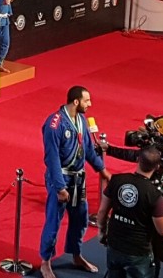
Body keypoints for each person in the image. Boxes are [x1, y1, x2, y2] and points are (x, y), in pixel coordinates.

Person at [40, 86, 111, 278]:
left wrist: (102, 170)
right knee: (54, 222)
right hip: (60, 179)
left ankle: (76, 254)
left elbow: (88, 149)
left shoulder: (81, 120)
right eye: (87, 100)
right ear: (76, 101)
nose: (90, 104)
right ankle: (45, 261)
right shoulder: (54, 124)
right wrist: (60, 187)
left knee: (80, 219)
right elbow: (52, 158)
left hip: (78, 179)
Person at [97, 145, 163, 278]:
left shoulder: (116, 180)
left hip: (114, 247)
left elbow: (102, 212)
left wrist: (102, 232)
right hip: (139, 253)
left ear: (138, 160)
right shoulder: (154, 195)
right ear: (157, 167)